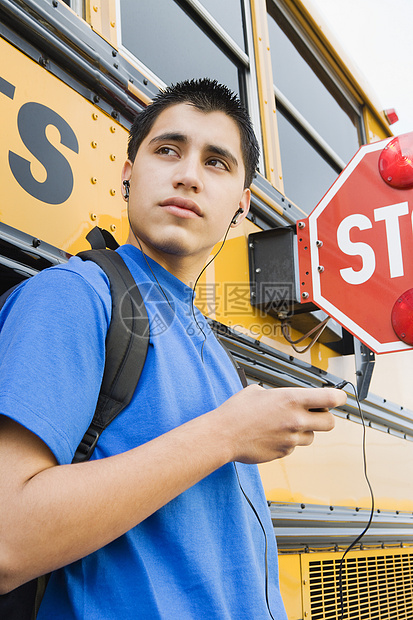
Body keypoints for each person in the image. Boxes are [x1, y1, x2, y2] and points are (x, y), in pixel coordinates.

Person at [0, 78, 346, 618]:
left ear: (242, 205)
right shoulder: (77, 297)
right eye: (167, 150)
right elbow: (8, 539)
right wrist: (228, 433)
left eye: (217, 163)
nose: (187, 175)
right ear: (127, 174)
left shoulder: (207, 339)